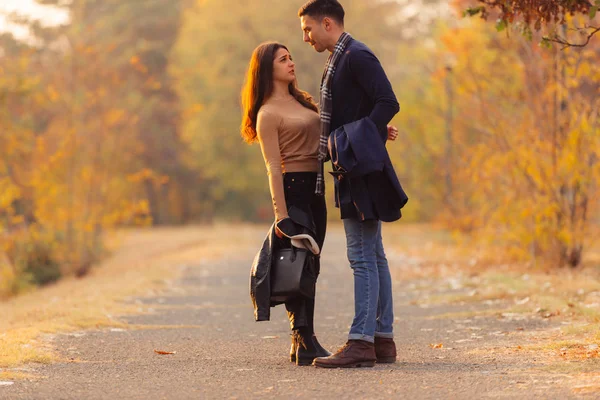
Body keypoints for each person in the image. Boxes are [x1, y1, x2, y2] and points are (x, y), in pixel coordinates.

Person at [298, 0, 409, 368]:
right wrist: (370, 131)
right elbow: (364, 109)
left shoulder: (357, 55)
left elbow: (387, 101)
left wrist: (360, 138)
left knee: (361, 256)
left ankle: (361, 341)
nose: (306, 38)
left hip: (360, 169)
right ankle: (382, 340)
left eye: (308, 29)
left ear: (327, 23)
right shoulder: (339, 58)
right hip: (355, 166)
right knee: (373, 255)